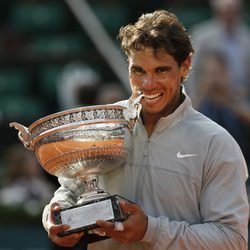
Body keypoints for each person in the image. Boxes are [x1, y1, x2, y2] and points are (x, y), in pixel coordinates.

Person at [42, 10, 249, 249]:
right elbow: (72, 186)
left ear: (185, 66)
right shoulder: (105, 124)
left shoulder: (216, 143)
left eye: (161, 70)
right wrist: (57, 212)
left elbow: (232, 240)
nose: (148, 85)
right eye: (138, 71)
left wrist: (150, 230)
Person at [186, 0, 250, 108]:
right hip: (206, 97)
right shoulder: (202, 35)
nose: (228, 15)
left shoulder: (247, 36)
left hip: (240, 99)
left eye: (232, 11)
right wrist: (193, 99)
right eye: (225, 11)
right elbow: (190, 68)